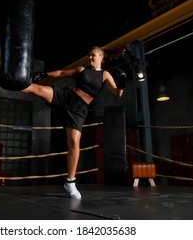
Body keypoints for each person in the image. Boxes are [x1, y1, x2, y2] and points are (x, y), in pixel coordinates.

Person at [21, 46, 126, 199]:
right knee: (35, 88)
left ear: (101, 57)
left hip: (79, 108)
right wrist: (43, 74)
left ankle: (70, 182)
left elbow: (117, 93)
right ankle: (11, 81)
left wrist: (122, 84)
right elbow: (62, 73)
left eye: (93, 55)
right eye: (89, 55)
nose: (90, 58)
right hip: (66, 96)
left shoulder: (105, 75)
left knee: (74, 144)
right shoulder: (82, 69)